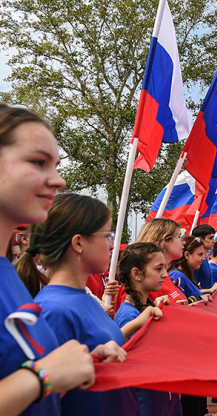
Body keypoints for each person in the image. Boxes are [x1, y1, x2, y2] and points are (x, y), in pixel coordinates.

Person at [0, 104, 107, 415]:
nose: (59, 181)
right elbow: (40, 375)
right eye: (38, 162)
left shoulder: (9, 274)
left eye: (56, 165)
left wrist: (86, 359)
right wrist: (43, 377)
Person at [24, 194, 139, 415]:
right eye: (107, 235)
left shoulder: (83, 297)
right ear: (78, 242)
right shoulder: (53, 310)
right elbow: (40, 402)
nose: (112, 245)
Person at [114, 243, 181, 416]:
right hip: (147, 404)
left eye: (164, 268)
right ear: (136, 274)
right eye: (159, 269)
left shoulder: (145, 307)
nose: (165, 275)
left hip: (162, 399)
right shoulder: (129, 316)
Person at [134, 218, 189, 306]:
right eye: (179, 237)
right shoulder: (144, 279)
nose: (184, 242)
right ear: (166, 240)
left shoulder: (165, 276)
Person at [167, 236, 209, 302]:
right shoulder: (176, 276)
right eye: (200, 254)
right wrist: (200, 299)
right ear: (187, 255)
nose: (203, 258)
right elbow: (178, 305)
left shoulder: (182, 275)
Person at [190, 224, 216, 292]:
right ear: (201, 239)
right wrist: (209, 290)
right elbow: (190, 289)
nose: (214, 241)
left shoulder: (204, 259)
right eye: (210, 238)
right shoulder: (196, 261)